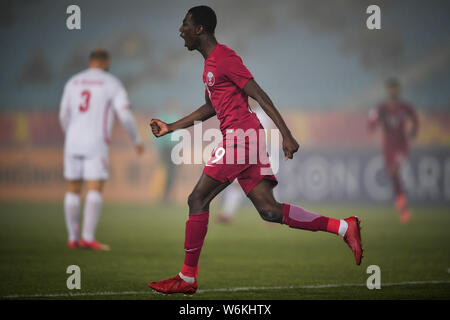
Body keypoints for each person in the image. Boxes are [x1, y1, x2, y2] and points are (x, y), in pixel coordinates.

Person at [148, 6, 363, 295]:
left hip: (241, 138)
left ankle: (186, 278)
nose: (180, 29)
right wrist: (171, 127)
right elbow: (212, 107)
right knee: (269, 211)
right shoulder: (209, 66)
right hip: (243, 137)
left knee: (197, 198)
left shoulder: (225, 57)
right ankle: (343, 227)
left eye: (185, 23)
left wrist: (286, 134)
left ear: (199, 29)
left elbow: (259, 95)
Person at [59, 49, 144, 251]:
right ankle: (88, 237)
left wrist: (70, 135)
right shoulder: (110, 83)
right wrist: (136, 138)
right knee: (94, 188)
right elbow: (124, 114)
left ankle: (72, 238)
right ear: (107, 62)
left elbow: (63, 114)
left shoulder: (73, 81)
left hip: (72, 140)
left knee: (72, 188)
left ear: (90, 62)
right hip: (95, 141)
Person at [368, 78, 419, 223]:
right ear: (388, 90)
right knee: (392, 173)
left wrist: (414, 130)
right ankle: (401, 201)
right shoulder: (382, 108)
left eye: (395, 88)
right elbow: (372, 119)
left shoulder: (404, 107)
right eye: (391, 88)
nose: (393, 91)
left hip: (401, 146)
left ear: (398, 90)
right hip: (388, 146)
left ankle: (401, 201)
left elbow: (415, 118)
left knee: (394, 169)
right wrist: (372, 125)